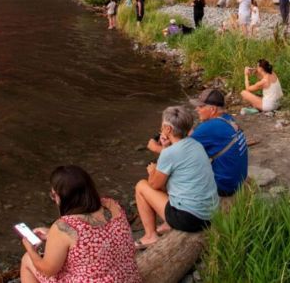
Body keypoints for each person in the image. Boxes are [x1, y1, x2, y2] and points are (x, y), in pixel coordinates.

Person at [19, 165, 141, 283]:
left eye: (54, 195)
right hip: (129, 278)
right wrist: (52, 235)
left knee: (27, 259)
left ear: (62, 196)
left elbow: (48, 270)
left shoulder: (64, 226)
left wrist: (30, 249)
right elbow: (97, 236)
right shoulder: (112, 205)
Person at [134, 106, 219, 248]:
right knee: (176, 180)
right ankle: (167, 224)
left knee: (141, 186)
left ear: (167, 129)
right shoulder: (196, 144)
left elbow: (154, 185)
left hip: (191, 219)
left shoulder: (169, 153)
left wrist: (152, 171)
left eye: (162, 126)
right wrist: (166, 147)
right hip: (210, 213)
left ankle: (150, 236)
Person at [147, 90, 248, 197]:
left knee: (166, 177)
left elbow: (179, 153)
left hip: (224, 186)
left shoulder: (209, 127)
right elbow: (194, 137)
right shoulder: (227, 119)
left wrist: (156, 147)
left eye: (200, 107)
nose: (196, 109)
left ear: (212, 109)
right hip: (238, 179)